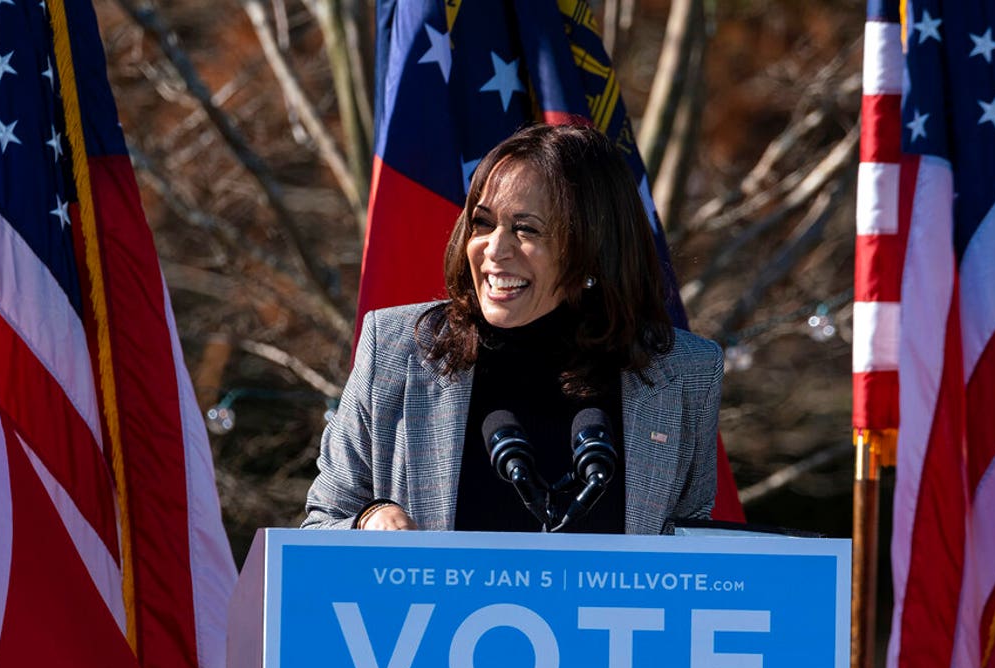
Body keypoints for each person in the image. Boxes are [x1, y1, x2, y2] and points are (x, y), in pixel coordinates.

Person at [302, 123, 721, 534]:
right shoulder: (394, 349)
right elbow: (318, 526)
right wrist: (367, 520)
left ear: (594, 251)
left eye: (526, 230)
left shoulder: (685, 375)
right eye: (482, 223)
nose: (494, 249)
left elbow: (696, 553)